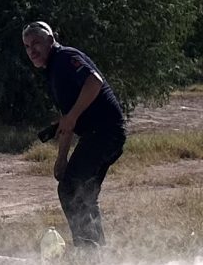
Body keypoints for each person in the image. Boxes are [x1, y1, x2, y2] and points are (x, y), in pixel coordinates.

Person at [21, 21, 127, 247]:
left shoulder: (64, 57)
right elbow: (67, 121)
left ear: (51, 40)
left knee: (69, 189)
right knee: (85, 196)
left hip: (105, 133)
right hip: (100, 135)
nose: (32, 51)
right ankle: (97, 255)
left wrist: (73, 115)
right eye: (28, 46)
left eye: (37, 43)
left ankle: (86, 252)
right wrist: (61, 159)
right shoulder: (52, 72)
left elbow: (94, 81)